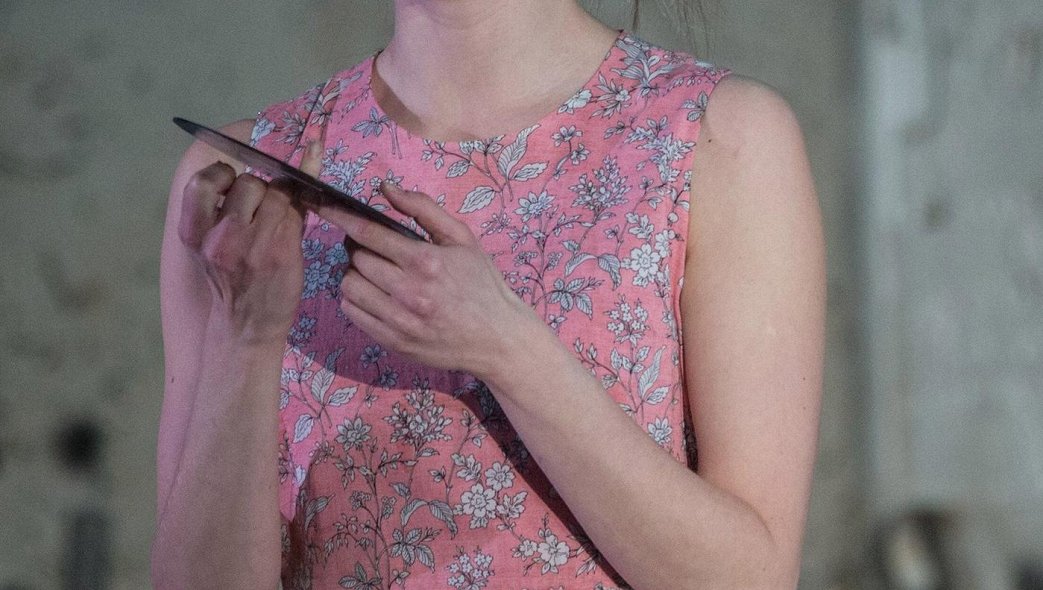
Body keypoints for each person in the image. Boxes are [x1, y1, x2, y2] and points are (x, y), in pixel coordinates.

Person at [151, 1, 825, 588]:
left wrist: (506, 348)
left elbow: (750, 578)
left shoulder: (716, 140)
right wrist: (246, 335)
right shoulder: (246, 176)